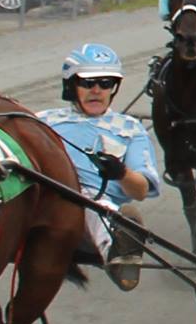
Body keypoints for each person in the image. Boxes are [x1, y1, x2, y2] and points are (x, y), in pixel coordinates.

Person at [37, 44, 161, 290]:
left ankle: (117, 250)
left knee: (93, 203)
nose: (97, 90)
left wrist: (121, 172)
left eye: (106, 83)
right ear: (71, 86)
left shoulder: (129, 129)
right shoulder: (43, 120)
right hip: (38, 192)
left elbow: (141, 190)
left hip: (89, 201)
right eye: (88, 83)